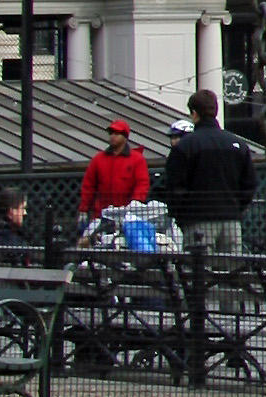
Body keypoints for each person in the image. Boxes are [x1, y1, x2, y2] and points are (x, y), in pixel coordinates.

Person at [162, 89, 255, 265]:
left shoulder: (185, 147)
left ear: (194, 114)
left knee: (199, 276)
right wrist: (237, 208)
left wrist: (181, 215)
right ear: (216, 111)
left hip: (197, 220)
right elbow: (249, 183)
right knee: (232, 277)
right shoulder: (238, 145)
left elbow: (174, 186)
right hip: (230, 219)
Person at [78, 118, 152, 221]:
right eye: (111, 133)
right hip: (101, 214)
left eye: (117, 133)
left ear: (125, 137)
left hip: (127, 215)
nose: (113, 136)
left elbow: (142, 183)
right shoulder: (98, 159)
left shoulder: (137, 159)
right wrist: (84, 209)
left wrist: (135, 203)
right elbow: (88, 185)